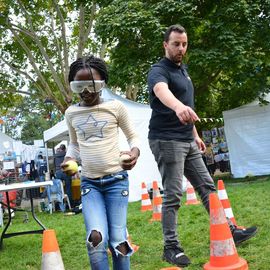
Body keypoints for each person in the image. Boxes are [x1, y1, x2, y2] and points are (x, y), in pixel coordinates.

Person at [147, 24, 257, 268]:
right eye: (176, 43)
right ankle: (171, 248)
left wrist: (195, 134)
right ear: (165, 44)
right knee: (174, 194)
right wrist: (177, 108)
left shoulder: (183, 70)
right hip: (166, 139)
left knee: (208, 187)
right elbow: (161, 91)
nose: (181, 48)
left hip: (186, 138)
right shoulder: (158, 70)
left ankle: (228, 231)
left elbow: (187, 106)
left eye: (184, 44)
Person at [62, 55, 140, 270]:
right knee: (95, 239)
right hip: (90, 185)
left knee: (119, 241)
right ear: (73, 85)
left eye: (92, 85)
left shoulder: (115, 107)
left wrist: (134, 153)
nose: (86, 91)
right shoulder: (71, 113)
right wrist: (69, 158)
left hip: (117, 181)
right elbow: (74, 144)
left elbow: (133, 136)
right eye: (80, 86)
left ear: (102, 83)